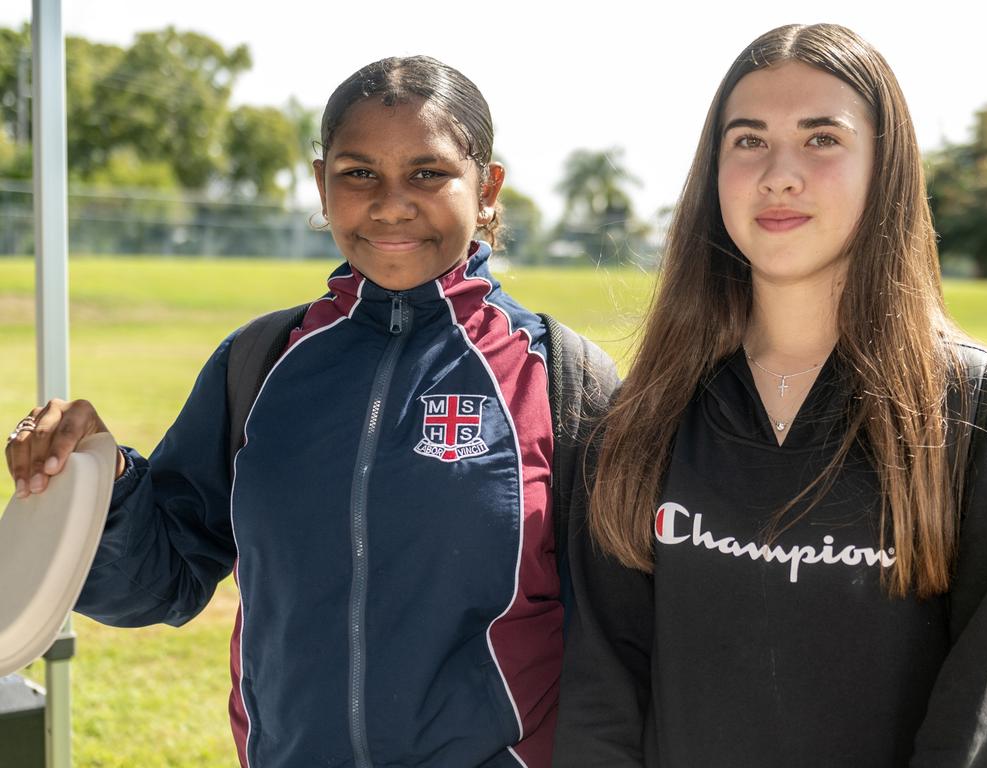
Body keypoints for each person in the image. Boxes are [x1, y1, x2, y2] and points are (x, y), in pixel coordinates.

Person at [4, 56, 616, 768]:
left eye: (428, 173)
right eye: (359, 174)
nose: (391, 203)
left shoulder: (562, 380)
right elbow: (157, 586)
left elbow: (623, 646)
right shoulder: (258, 363)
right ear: (321, 185)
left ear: (487, 190)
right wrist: (103, 482)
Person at [553, 23, 987, 768]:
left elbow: (986, 716)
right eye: (748, 141)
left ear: (886, 164)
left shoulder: (973, 411)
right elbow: (603, 694)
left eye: (821, 139)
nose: (779, 174)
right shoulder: (644, 418)